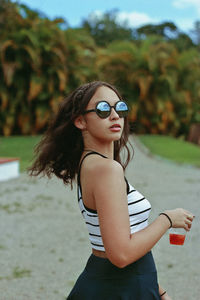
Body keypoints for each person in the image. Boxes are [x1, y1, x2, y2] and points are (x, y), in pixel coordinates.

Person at [28, 81, 194, 300]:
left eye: (120, 108)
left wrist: (158, 289)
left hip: (122, 282)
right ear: (80, 121)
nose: (115, 115)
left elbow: (120, 240)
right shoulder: (106, 169)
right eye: (103, 109)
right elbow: (121, 254)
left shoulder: (91, 165)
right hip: (120, 288)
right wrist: (167, 219)